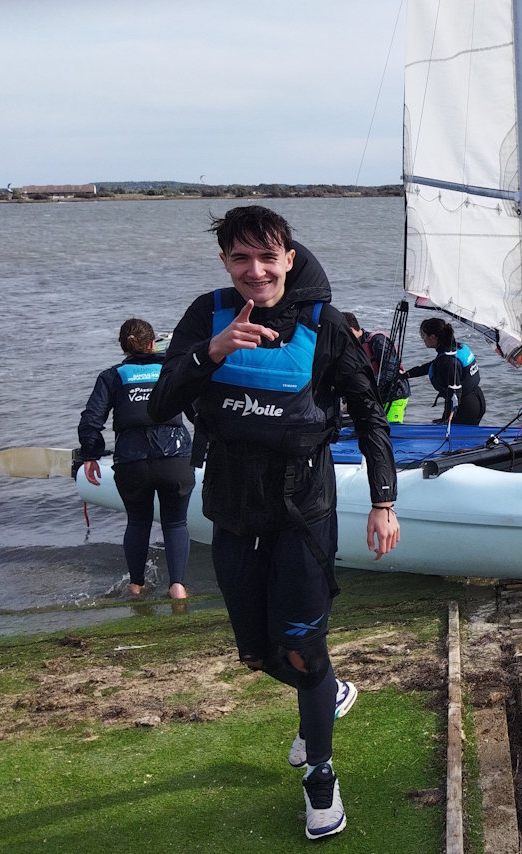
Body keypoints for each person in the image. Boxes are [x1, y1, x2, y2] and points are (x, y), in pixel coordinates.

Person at [148, 205, 400, 840]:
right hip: (234, 516)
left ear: (289, 257)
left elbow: (370, 414)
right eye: (241, 258)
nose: (255, 271)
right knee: (257, 654)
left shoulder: (324, 323)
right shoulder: (206, 316)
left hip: (302, 517)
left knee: (303, 650)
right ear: (226, 263)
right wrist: (212, 352)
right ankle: (328, 692)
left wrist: (383, 500)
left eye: (268, 257)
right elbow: (158, 406)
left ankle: (321, 774)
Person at [77, 318, 195, 599]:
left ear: (123, 347)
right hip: (175, 459)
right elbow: (198, 410)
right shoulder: (171, 369)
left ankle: (136, 586)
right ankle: (177, 587)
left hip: (132, 462)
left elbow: (91, 421)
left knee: (138, 522)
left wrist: (91, 455)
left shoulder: (111, 377)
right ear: (153, 343)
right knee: (176, 522)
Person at [402, 317, 486, 425]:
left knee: (454, 440)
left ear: (433, 337)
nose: (422, 339)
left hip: (465, 407)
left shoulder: (447, 361)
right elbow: (433, 365)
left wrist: (447, 419)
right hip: (477, 399)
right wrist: (406, 375)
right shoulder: (457, 348)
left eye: (423, 335)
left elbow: (455, 394)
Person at [341, 311, 410, 423]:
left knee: (390, 431)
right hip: (374, 397)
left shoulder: (377, 341)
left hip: (394, 395)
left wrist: (364, 393)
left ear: (350, 330)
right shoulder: (352, 349)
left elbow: (390, 372)